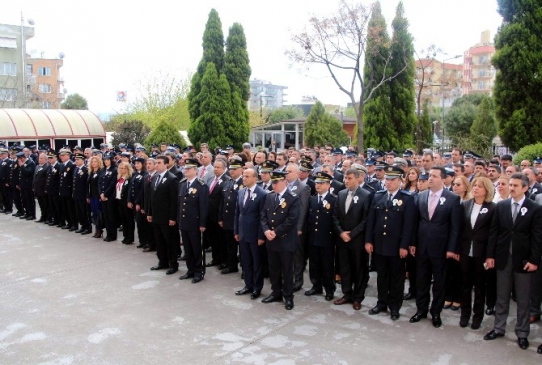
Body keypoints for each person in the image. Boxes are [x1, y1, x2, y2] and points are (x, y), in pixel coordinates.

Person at [484, 173, 542, 351]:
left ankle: (522, 333)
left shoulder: (534, 208)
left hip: (523, 260)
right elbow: (494, 233)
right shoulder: (501, 206)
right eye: (510, 185)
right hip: (503, 258)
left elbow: (537, 237)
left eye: (516, 185)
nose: (511, 188)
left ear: (525, 188)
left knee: (523, 299)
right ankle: (498, 327)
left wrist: (534, 260)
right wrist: (490, 256)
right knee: (502, 295)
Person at [409, 167, 462, 328]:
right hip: (422, 246)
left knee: (439, 282)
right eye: (429, 176)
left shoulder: (452, 199)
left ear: (443, 179)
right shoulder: (420, 196)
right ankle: (421, 310)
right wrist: (412, 243)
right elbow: (414, 222)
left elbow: (455, 227)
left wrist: (452, 249)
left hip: (441, 248)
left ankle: (436, 312)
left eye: (434, 176)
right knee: (421, 280)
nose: (430, 179)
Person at [365, 166, 416, 320]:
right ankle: (381, 303)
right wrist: (368, 240)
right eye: (387, 179)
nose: (388, 182)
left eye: (392, 179)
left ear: (400, 181)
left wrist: (404, 246)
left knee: (396, 279)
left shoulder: (407, 198)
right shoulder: (378, 196)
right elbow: (371, 221)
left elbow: (409, 225)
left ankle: (394, 306)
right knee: (382, 276)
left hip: (396, 247)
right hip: (380, 244)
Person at [458, 176, 496, 329]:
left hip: (482, 252)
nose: (475, 188)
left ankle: (477, 317)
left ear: (486, 190)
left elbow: (493, 234)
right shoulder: (466, 205)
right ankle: (464, 314)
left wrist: (490, 255)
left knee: (480, 286)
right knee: (465, 285)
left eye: (479, 186)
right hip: (465, 251)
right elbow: (460, 229)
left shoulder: (493, 208)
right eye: (474, 186)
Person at [332, 168, 372, 310]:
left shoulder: (366, 195)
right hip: (343, 240)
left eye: (349, 178)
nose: (346, 181)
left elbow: (366, 219)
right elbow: (335, 216)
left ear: (357, 178)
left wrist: (352, 233)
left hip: (357, 240)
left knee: (359, 269)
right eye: (345, 178)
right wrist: (341, 233)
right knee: (345, 268)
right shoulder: (341, 194)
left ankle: (358, 297)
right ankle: (347, 293)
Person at [260, 170, 300, 310]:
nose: (274, 185)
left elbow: (292, 220)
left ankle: (288, 297)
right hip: (272, 240)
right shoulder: (270, 196)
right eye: (273, 182)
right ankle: (276, 292)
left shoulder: (293, 197)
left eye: (276, 182)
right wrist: (266, 231)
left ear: (285, 182)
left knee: (287, 270)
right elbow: (263, 216)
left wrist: (275, 232)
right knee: (274, 268)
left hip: (285, 240)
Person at [234, 168, 267, 299]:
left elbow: (262, 217)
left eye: (247, 176)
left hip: (255, 235)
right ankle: (248, 285)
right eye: (243, 176)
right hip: (243, 233)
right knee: (246, 261)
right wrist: (236, 230)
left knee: (257, 262)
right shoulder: (241, 192)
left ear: (255, 178)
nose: (244, 178)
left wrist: (261, 236)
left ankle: (257, 288)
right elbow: (238, 213)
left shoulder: (262, 194)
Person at [305, 172, 337, 301]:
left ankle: (329, 289)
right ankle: (316, 285)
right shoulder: (312, 199)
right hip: (313, 237)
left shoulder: (334, 200)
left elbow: (335, 220)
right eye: (317, 183)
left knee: (327, 265)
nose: (318, 185)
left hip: (327, 239)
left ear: (328, 185)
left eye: (321, 183)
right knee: (314, 264)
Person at [178, 158, 208, 283]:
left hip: (195, 222)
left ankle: (198, 271)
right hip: (184, 222)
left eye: (188, 168)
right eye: (185, 168)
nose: (185, 170)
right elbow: (179, 204)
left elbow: (204, 206)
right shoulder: (183, 183)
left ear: (195, 170)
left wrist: (202, 223)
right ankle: (190, 270)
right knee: (188, 248)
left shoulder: (201, 185)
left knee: (197, 248)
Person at [148, 156, 180, 275]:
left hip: (167, 217)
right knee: (159, 240)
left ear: (166, 165)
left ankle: (173, 264)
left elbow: (174, 200)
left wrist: (172, 217)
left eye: (159, 163)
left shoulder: (172, 179)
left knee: (170, 241)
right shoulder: (155, 177)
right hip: (156, 216)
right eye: (156, 163)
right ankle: (162, 261)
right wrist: (149, 212)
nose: (156, 165)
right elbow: (152, 197)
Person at [218, 158, 245, 274]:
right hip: (228, 219)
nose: (232, 171)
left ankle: (245, 269)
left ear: (241, 169)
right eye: (231, 169)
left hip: (239, 220)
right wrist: (220, 217)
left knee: (243, 248)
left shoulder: (243, 183)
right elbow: (223, 202)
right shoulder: (228, 182)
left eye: (235, 169)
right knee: (230, 245)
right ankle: (231, 265)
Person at [99, 153, 118, 242]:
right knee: (106, 216)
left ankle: (113, 235)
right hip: (103, 196)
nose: (106, 161)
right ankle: (108, 233)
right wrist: (101, 194)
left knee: (111, 216)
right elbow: (99, 182)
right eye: (105, 160)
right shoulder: (103, 170)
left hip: (110, 197)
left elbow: (112, 184)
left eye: (107, 159)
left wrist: (105, 194)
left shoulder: (114, 170)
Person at [129, 157, 147, 248]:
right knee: (138, 223)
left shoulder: (145, 174)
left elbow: (142, 191)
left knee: (142, 222)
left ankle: (145, 241)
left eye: (138, 163)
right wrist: (129, 200)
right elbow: (131, 188)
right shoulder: (135, 174)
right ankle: (141, 241)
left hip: (140, 202)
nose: (136, 165)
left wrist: (137, 202)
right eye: (135, 164)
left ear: (143, 164)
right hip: (134, 201)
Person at [116, 161, 135, 244]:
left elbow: (130, 191)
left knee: (129, 219)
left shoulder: (129, 178)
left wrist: (129, 200)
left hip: (126, 201)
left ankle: (130, 237)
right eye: (120, 168)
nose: (121, 170)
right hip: (119, 200)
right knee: (123, 219)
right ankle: (125, 235)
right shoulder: (120, 178)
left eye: (123, 168)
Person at [72, 153, 91, 235]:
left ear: (83, 160)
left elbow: (87, 184)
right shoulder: (76, 169)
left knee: (84, 212)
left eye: (78, 160)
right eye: (75, 160)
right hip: (76, 194)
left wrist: (87, 195)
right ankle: (83, 226)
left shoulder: (86, 169)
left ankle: (88, 227)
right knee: (78, 212)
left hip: (83, 195)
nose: (76, 161)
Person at [87, 156, 103, 238]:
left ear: (99, 162)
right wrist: (88, 196)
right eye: (92, 162)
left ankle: (99, 229)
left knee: (98, 212)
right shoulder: (91, 172)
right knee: (94, 213)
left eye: (95, 161)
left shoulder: (101, 172)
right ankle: (97, 229)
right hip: (92, 195)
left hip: (98, 195)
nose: (93, 163)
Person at [16, 151, 36, 220]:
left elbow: (28, 172)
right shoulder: (22, 163)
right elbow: (20, 175)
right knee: (24, 200)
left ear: (22, 158)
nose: (18, 160)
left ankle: (32, 214)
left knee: (29, 200)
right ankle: (27, 213)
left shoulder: (30, 163)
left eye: (19, 159)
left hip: (28, 185)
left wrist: (22, 166)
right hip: (23, 185)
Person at [33, 153, 49, 222]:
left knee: (46, 204)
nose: (40, 160)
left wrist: (46, 188)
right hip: (37, 189)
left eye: (41, 158)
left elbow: (46, 179)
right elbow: (35, 178)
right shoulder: (37, 167)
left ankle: (47, 217)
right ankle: (43, 216)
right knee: (41, 204)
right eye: (39, 158)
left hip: (43, 189)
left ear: (46, 159)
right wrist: (33, 186)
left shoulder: (47, 167)